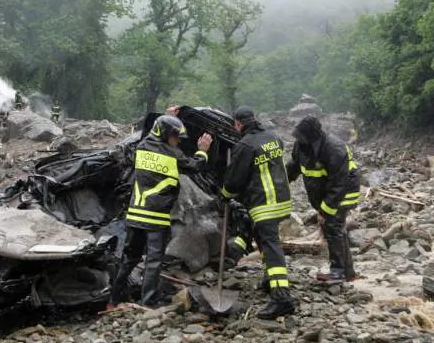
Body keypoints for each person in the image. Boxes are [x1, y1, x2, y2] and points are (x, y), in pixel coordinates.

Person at [109, 115, 213, 307]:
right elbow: (196, 166)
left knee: (129, 259)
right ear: (165, 135)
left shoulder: (141, 147)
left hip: (134, 215)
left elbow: (149, 134)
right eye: (175, 137)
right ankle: (148, 302)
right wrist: (202, 151)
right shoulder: (172, 154)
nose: (177, 141)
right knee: (153, 262)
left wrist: (169, 118)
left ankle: (113, 300)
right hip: (156, 218)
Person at [221, 106, 295, 319]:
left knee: (270, 246)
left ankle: (282, 298)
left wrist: (225, 195)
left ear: (237, 124)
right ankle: (269, 281)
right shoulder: (273, 137)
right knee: (264, 241)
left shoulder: (245, 145)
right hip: (281, 199)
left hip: (264, 204)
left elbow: (234, 181)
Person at [286, 115, 362, 282]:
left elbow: (338, 183)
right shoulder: (301, 146)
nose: (298, 139)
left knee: (333, 227)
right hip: (326, 192)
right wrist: (281, 181)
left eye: (301, 136)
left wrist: (325, 210)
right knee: (335, 228)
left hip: (344, 190)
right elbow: (294, 166)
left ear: (312, 135)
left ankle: (337, 273)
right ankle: (348, 273)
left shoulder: (333, 148)